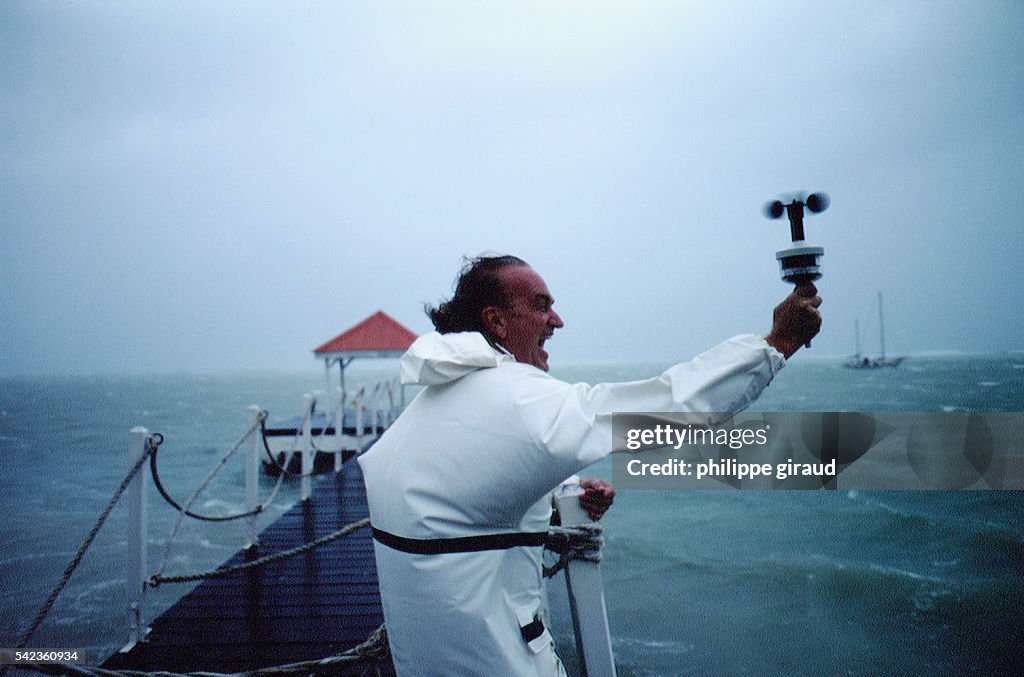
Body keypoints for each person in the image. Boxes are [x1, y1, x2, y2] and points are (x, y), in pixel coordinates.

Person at [358, 254, 821, 676]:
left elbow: (467, 486)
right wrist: (776, 343)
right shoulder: (518, 398)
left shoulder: (432, 404)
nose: (557, 320)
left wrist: (563, 498)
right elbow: (668, 404)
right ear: (496, 321)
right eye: (541, 306)